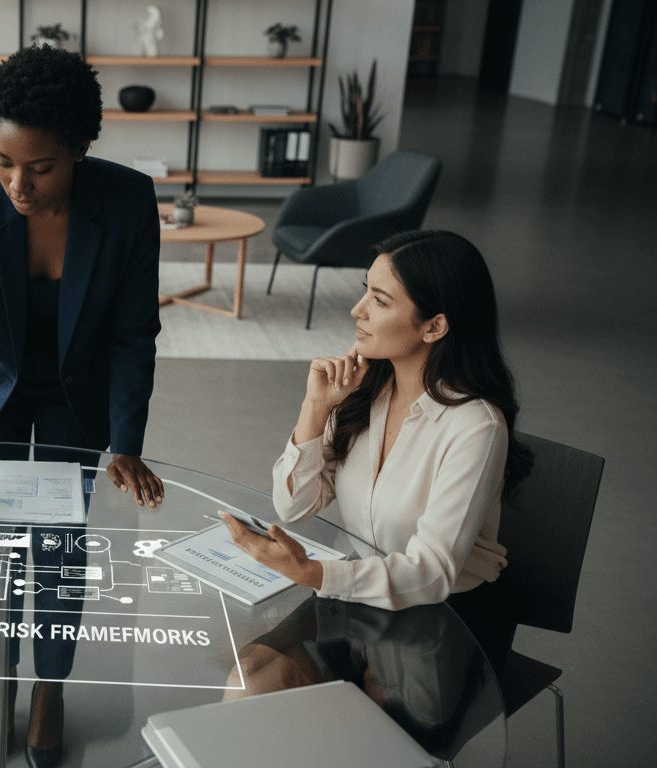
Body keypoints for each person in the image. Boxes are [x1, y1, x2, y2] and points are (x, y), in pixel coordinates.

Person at [0, 45, 164, 768]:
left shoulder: (129, 201)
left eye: (40, 167)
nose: (18, 182)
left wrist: (124, 440)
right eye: (3, 160)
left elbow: (135, 334)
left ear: (80, 149)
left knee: (59, 548)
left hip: (81, 390)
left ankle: (50, 685)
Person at [221, 230, 532, 672]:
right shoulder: (361, 392)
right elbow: (293, 507)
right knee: (248, 672)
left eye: (380, 301)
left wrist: (313, 574)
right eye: (364, 290)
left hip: (446, 618)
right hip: (362, 596)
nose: (357, 310)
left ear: (434, 327)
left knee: (309, 707)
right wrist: (315, 407)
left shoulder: (474, 427)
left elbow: (433, 573)